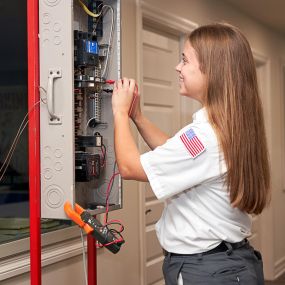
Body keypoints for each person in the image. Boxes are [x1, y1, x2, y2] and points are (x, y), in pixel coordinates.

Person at [111, 22, 270, 285]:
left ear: (213, 71)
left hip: (209, 270)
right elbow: (177, 155)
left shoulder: (207, 135)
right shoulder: (224, 126)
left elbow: (129, 167)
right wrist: (136, 117)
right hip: (229, 264)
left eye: (185, 60)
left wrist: (118, 112)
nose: (178, 67)